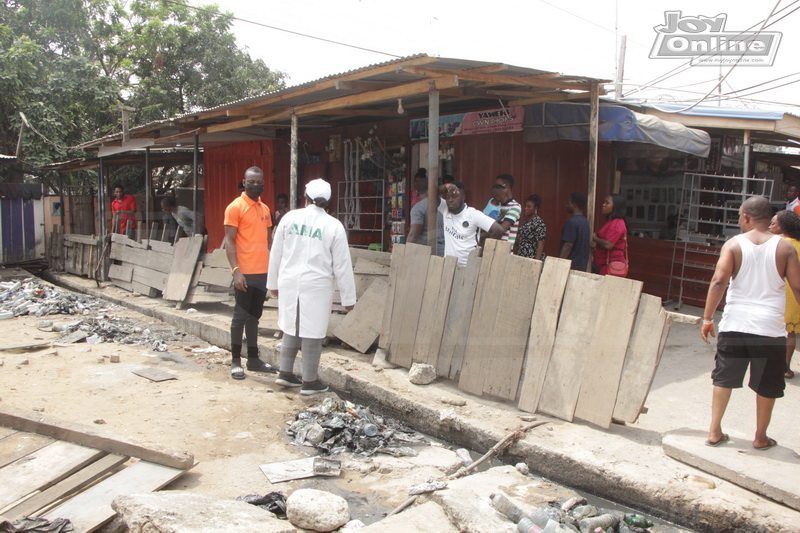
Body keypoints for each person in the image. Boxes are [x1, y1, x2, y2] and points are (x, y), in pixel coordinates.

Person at [701, 196, 800, 451]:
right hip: (769, 330)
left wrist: (708, 318)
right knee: (767, 385)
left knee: (723, 378)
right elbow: (798, 287)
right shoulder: (785, 248)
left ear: (745, 217)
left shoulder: (733, 245)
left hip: (736, 325)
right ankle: (760, 437)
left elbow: (718, 282)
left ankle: (714, 431)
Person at [268, 179, 357, 395]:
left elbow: (275, 253)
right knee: (313, 332)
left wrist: (273, 283)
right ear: (329, 202)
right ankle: (309, 382)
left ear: (305, 197)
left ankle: (285, 373)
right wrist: (348, 299)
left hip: (289, 281)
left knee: (291, 324)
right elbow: (342, 265)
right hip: (316, 286)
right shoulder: (333, 225)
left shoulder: (290, 218)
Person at [223, 167, 275, 380]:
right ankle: (236, 361)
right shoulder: (235, 207)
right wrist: (236, 272)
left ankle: (253, 359)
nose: (256, 185)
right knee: (240, 317)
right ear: (244, 182)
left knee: (255, 317)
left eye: (259, 181)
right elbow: (229, 241)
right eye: (251, 181)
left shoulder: (265, 209)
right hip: (244, 273)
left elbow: (269, 241)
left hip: (262, 273)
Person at [438, 182, 504, 266]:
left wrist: (483, 252)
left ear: (463, 197)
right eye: (447, 197)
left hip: (469, 267)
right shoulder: (445, 209)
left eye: (454, 197)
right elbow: (432, 194)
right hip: (449, 265)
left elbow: (498, 230)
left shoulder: (473, 214)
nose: (450, 200)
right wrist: (445, 186)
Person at [769, 210, 800, 379]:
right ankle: (785, 368)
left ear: (783, 226)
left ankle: (770, 366)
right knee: (790, 332)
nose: (770, 226)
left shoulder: (777, 243)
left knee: (773, 331)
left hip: (779, 291)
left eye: (773, 223)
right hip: (795, 294)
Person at [406, 175, 445, 256]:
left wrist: (406, 253)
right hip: (446, 251)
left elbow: (414, 234)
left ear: (417, 192)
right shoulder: (446, 203)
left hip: (427, 254)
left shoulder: (418, 208)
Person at [591, 194, 628, 276]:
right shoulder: (611, 221)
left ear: (616, 206)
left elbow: (608, 244)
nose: (603, 205)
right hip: (602, 263)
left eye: (607, 203)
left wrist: (595, 237)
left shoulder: (617, 223)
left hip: (609, 265)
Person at [559, 192, 590, 271]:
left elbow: (568, 245)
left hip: (571, 267)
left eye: (568, 203)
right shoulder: (585, 222)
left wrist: (559, 263)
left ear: (574, 205)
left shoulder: (572, 222)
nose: (565, 205)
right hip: (582, 266)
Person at [514, 194, 546, 260]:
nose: (526, 208)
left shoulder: (539, 223)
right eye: (525, 206)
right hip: (522, 257)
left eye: (529, 207)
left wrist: (536, 262)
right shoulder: (525, 223)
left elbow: (541, 244)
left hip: (531, 258)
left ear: (536, 208)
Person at [495, 174, 521, 245]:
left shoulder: (515, 206)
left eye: (498, 186)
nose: (495, 189)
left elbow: (500, 230)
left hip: (504, 251)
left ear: (506, 186)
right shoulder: (497, 205)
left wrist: (481, 236)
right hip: (493, 249)